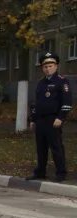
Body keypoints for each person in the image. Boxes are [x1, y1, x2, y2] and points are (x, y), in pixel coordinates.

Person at [27, 51, 72, 182]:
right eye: (45, 67)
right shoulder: (41, 83)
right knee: (41, 148)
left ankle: (61, 173)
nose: (48, 68)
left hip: (53, 119)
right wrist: (33, 119)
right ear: (42, 68)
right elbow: (36, 103)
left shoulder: (62, 82)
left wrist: (61, 117)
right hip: (40, 120)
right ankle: (40, 172)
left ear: (56, 66)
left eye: (50, 66)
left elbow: (67, 102)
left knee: (56, 147)